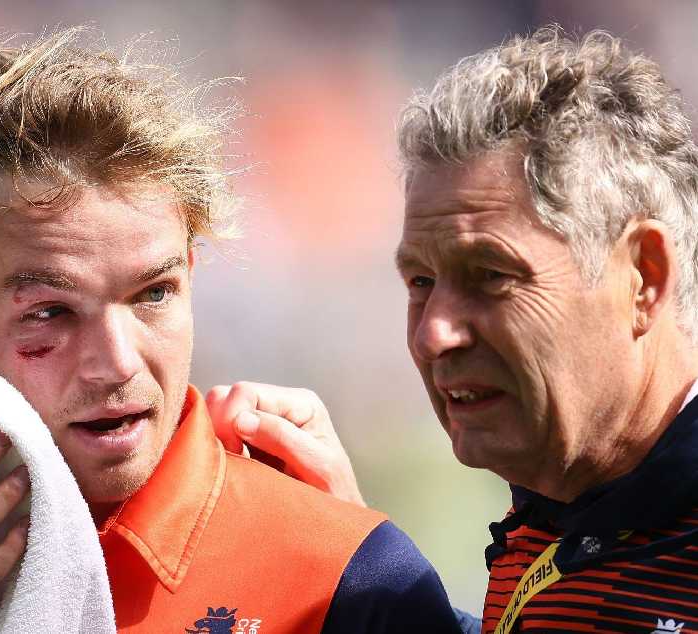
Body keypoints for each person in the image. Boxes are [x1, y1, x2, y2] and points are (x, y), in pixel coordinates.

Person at [0, 28, 467, 633]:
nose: (117, 363)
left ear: (191, 275)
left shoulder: (352, 578)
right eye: (50, 313)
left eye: (153, 294)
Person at [212, 26, 698, 631]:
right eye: (421, 281)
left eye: (491, 275)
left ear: (643, 277)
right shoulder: (569, 499)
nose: (432, 335)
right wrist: (356, 556)